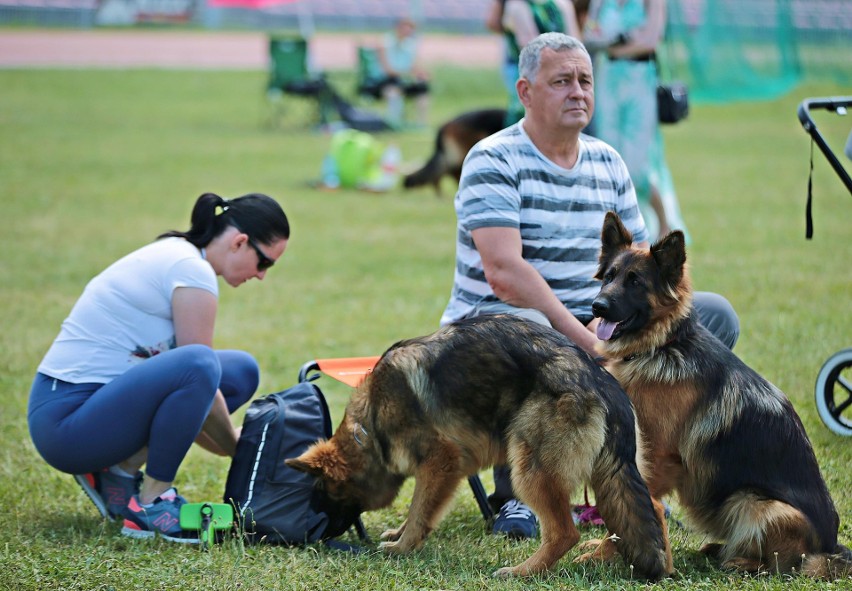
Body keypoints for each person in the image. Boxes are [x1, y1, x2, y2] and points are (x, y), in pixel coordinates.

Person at [440, 32, 739, 539]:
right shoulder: (492, 159)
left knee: (712, 317)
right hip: (491, 329)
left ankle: (642, 482)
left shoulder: (608, 161)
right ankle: (518, 498)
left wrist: (615, 331)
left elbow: (645, 270)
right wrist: (590, 342)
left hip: (593, 321)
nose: (578, 91)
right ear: (525, 92)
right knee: (530, 329)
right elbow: (504, 274)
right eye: (561, 81)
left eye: (585, 80)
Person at [28, 192, 290, 543]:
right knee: (199, 363)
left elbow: (194, 401)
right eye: (265, 263)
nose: (261, 276)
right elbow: (199, 378)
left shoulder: (182, 256)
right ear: (240, 242)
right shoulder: (191, 270)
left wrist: (230, 444)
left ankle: (119, 473)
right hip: (66, 425)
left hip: (84, 409)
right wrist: (239, 447)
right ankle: (152, 501)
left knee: (240, 370)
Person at [581, 0, 687, 240]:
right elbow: (589, 33)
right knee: (608, 162)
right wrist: (624, 39)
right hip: (608, 81)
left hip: (640, 81)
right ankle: (621, 233)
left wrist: (614, 46)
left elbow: (650, 40)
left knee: (636, 167)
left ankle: (663, 222)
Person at [488, 0, 580, 127]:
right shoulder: (518, 7)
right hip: (531, 73)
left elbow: (576, 44)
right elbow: (532, 49)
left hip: (559, 72)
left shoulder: (562, 5)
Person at [371, 17, 430, 128]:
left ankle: (421, 124)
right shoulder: (384, 43)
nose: (407, 31)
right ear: (397, 28)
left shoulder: (410, 45)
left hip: (402, 80)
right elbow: (388, 70)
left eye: (410, 29)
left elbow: (413, 67)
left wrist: (421, 73)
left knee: (423, 89)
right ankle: (393, 123)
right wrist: (408, 74)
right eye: (405, 28)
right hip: (383, 82)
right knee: (394, 91)